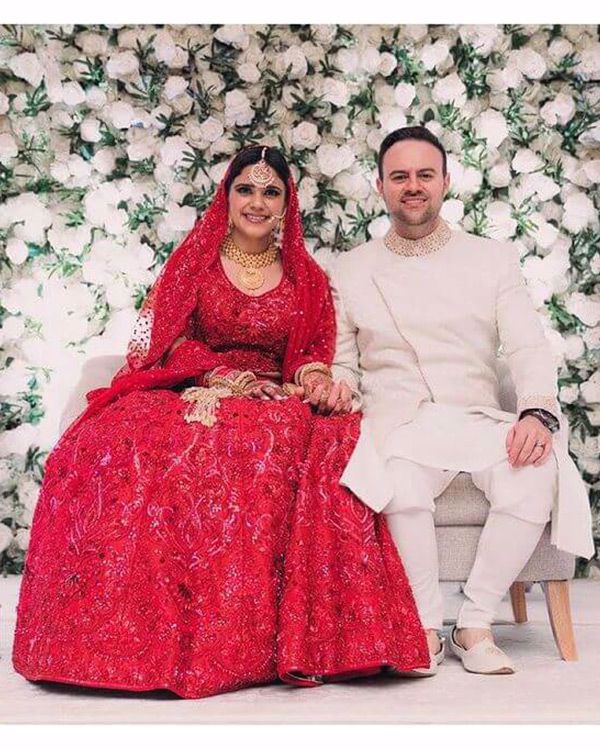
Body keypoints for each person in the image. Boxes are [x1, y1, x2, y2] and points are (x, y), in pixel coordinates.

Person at [12, 145, 429, 699]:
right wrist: (218, 377)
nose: (257, 202)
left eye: (271, 192)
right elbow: (165, 341)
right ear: (227, 196)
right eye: (246, 190)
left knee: (266, 443)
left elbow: (309, 351)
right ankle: (115, 634)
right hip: (190, 385)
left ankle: (233, 638)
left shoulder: (305, 276)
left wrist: (310, 380)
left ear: (287, 205)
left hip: (271, 400)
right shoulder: (194, 262)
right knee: (115, 441)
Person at [329, 126, 594, 676]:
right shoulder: (350, 268)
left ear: (446, 181)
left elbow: (524, 345)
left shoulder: (490, 258)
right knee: (397, 481)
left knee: (533, 472)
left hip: (475, 418)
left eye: (425, 175)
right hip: (398, 423)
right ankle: (424, 626)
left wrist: (537, 412)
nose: (413, 186)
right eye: (400, 176)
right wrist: (334, 387)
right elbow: (343, 365)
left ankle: (474, 623)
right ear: (380, 186)